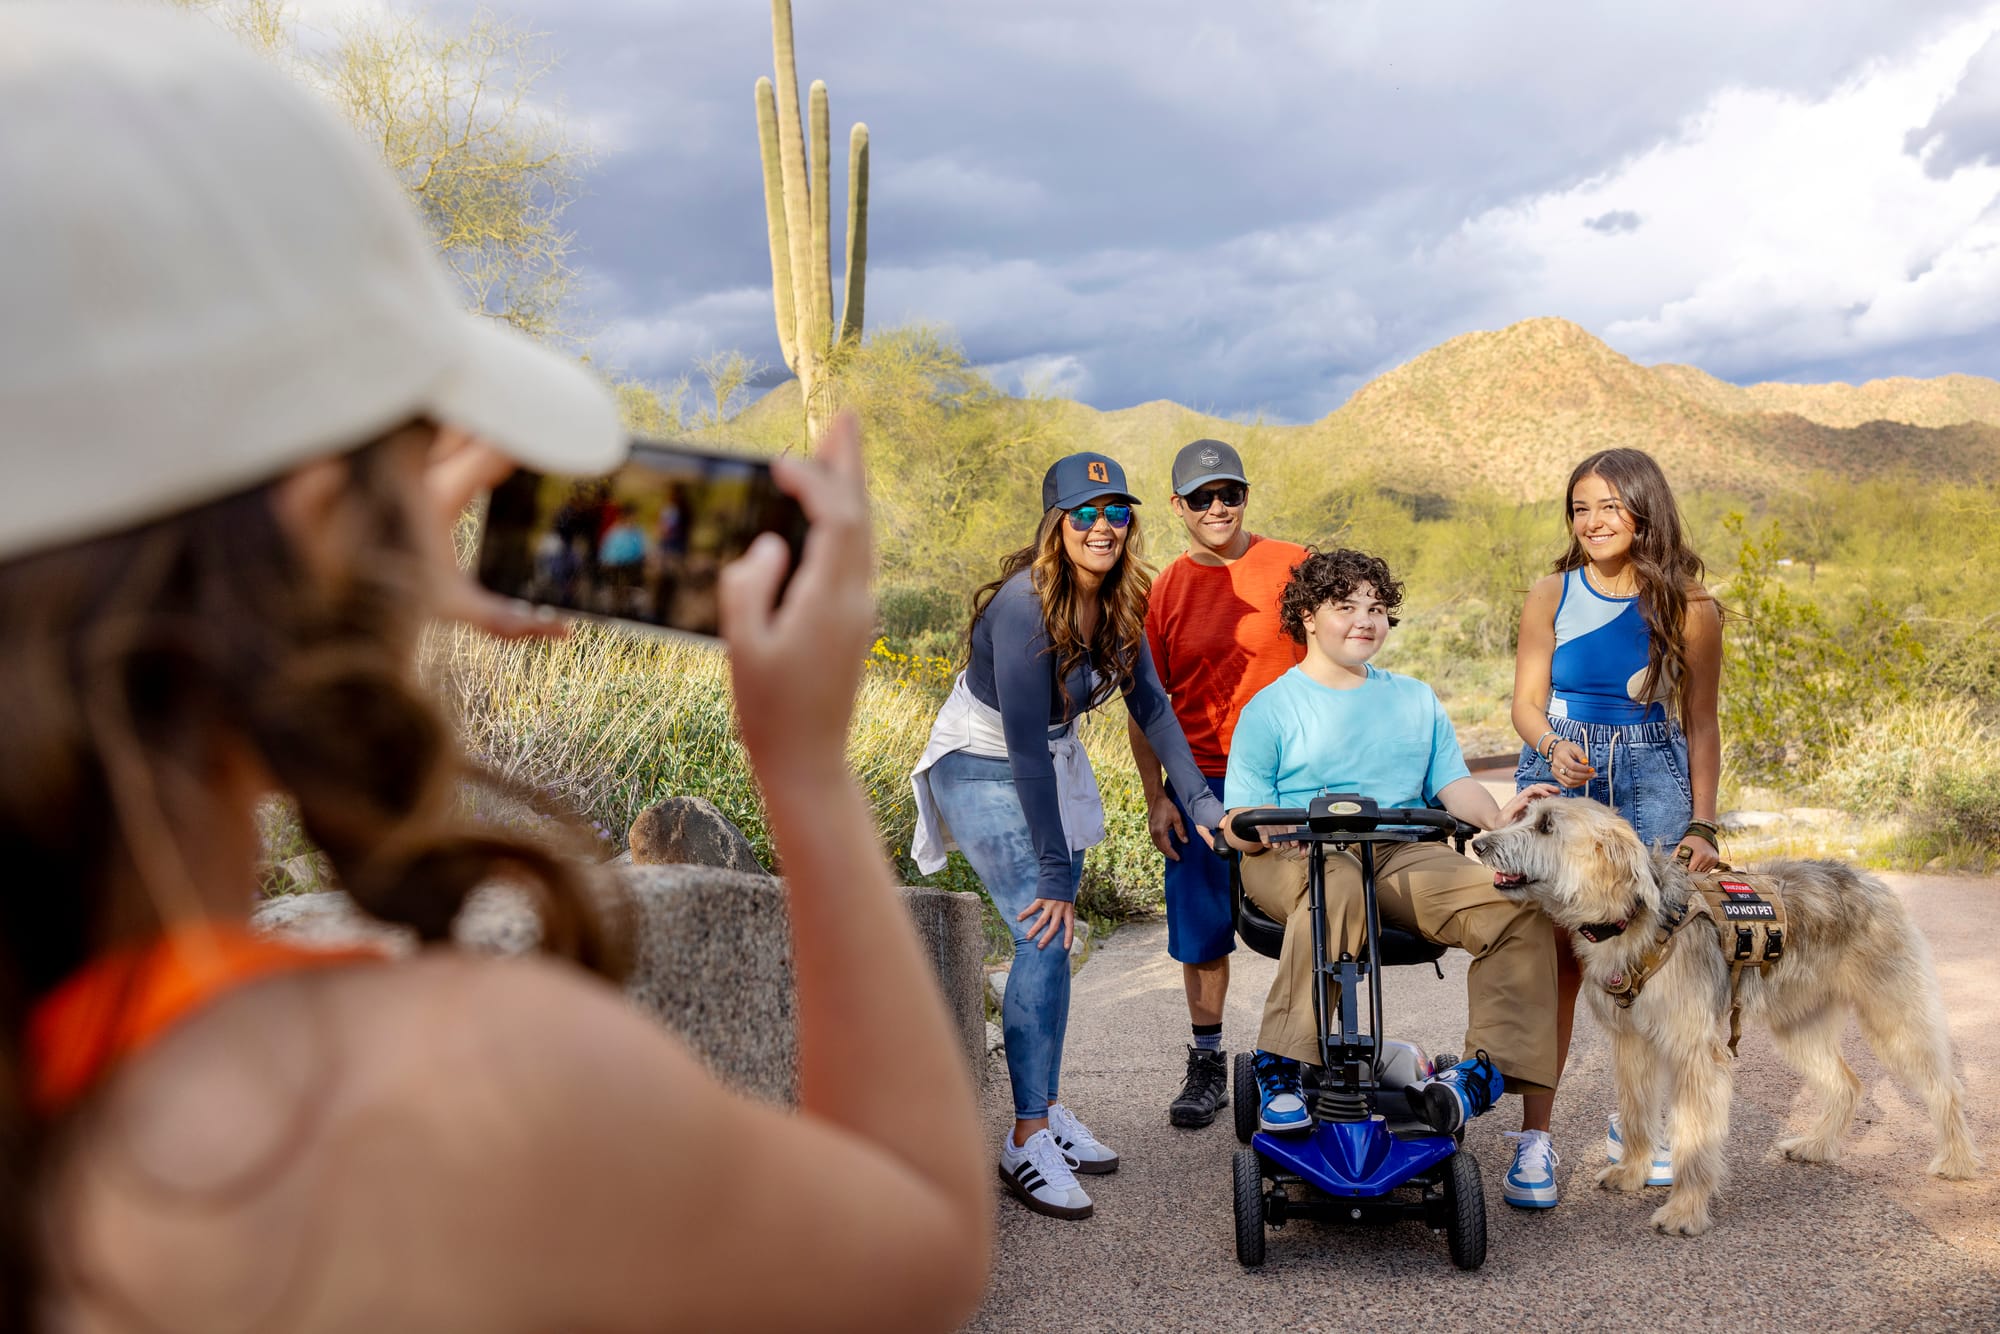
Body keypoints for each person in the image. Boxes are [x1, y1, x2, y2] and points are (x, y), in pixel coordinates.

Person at [0, 10, 989, 1331]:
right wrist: (805, 768)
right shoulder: (450, 1104)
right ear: (311, 537)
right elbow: (916, 1235)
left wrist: (333, 591)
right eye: (411, 477)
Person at [911, 453, 1227, 1221]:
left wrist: (1203, 803)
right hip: (984, 764)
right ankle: (1022, 1139)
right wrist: (1054, 872)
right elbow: (1021, 748)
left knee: (1053, 936)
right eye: (1085, 513)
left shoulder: (1121, 601)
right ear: (1057, 523)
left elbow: (1152, 706)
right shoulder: (1024, 607)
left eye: (1116, 512)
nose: (1102, 527)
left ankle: (1046, 1109)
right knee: (1041, 930)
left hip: (1048, 762)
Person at [1222, 549, 1563, 1209]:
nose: (1364, 620)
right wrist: (1251, 829)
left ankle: (1475, 1079)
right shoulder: (1273, 707)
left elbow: (1450, 782)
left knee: (1517, 906)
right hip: (1296, 856)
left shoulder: (1413, 699)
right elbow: (1240, 813)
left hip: (1395, 853)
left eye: (1375, 608)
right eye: (1345, 606)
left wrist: (1496, 816)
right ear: (1309, 618)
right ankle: (1281, 1065)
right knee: (1340, 880)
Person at [1511, 446, 1722, 1187]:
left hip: (1653, 780)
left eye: (1608, 505)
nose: (1593, 521)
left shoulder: (1690, 607)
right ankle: (1535, 1139)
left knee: (1660, 967)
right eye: (1580, 508)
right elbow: (1525, 705)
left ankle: (1642, 1120)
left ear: (1643, 508)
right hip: (1563, 780)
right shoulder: (1551, 592)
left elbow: (1700, 724)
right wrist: (1549, 745)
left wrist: (1702, 825)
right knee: (1556, 970)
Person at [1125, 439, 1305, 1130]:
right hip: (1200, 778)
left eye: (1229, 494)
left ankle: (1306, 1057)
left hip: (1287, 779)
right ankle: (1206, 1063)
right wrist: (1156, 795)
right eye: (1201, 497)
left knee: (1310, 917)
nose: (1217, 508)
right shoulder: (1165, 589)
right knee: (1201, 934)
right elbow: (1146, 703)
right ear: (1177, 506)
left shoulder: (1293, 566)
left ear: (1245, 496)